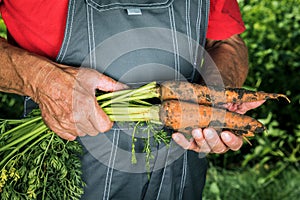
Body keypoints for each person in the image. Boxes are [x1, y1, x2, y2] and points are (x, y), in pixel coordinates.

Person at [0, 0, 264, 199]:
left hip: (180, 166)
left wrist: (212, 99)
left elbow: (227, 43)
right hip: (63, 164)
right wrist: (40, 79)